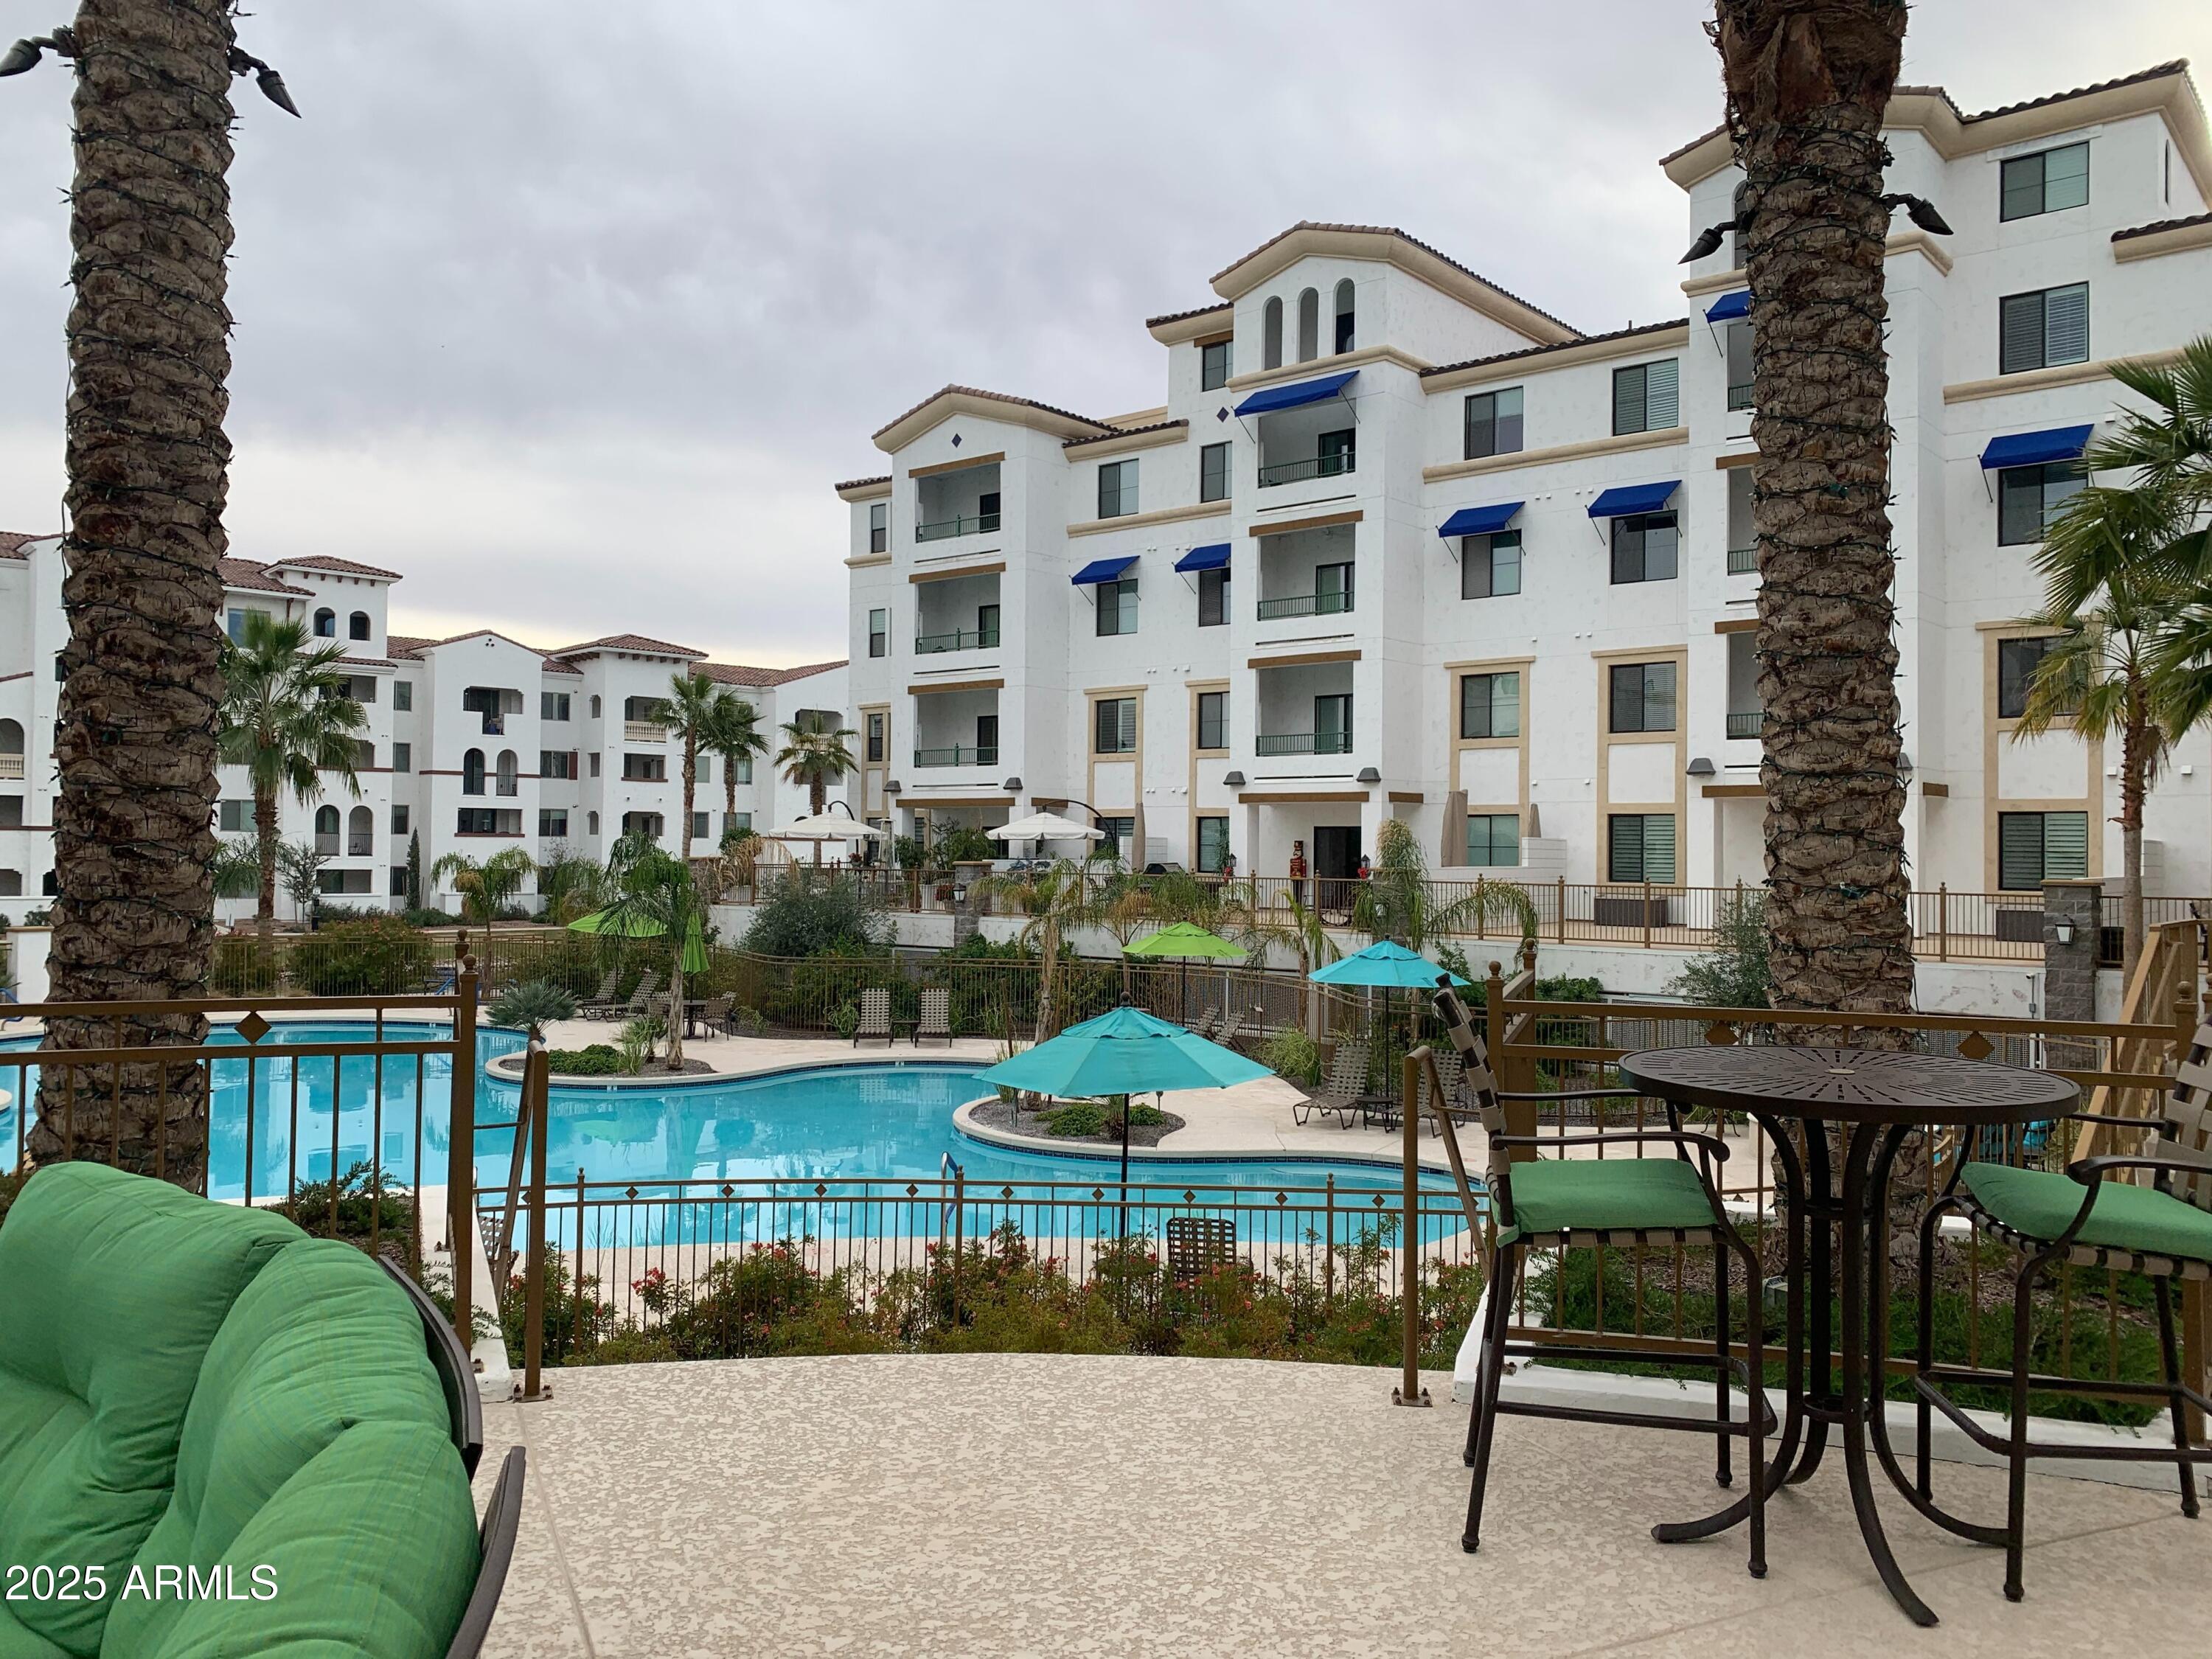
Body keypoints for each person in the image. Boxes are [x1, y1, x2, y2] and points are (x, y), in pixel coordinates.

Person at [1288, 840, 1307, 908]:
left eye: (1298, 851)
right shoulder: (1292, 860)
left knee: (1299, 891)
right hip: (1294, 877)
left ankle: (1298, 904)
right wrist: (1291, 875)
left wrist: (1304, 876)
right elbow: (1291, 868)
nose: (1296, 853)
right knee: (1294, 891)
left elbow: (1304, 869)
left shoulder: (1303, 860)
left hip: (1300, 877)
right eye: (1296, 851)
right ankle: (1294, 904)